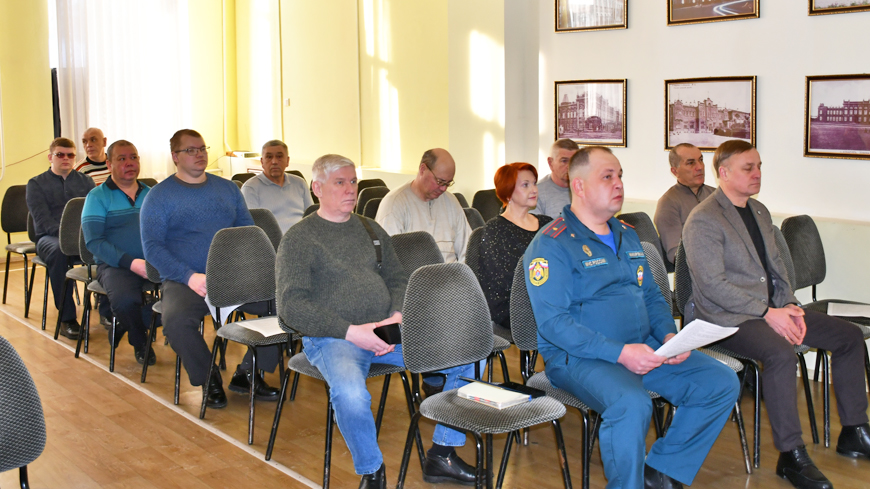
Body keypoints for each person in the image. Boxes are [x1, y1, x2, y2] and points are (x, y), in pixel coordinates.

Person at [524, 146, 739, 489]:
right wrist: (621, 353)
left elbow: (652, 295)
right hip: (580, 357)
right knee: (631, 404)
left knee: (719, 382)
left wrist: (669, 336)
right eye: (607, 177)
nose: (618, 183)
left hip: (644, 346)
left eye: (620, 176)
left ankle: (662, 473)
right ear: (579, 186)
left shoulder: (626, 234)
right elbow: (554, 324)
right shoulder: (552, 245)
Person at [277, 154, 478, 488]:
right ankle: (372, 471)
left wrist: (397, 313)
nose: (350, 189)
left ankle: (442, 453)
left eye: (353, 181)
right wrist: (351, 332)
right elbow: (291, 306)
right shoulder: (299, 238)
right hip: (335, 338)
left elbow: (398, 277)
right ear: (317, 188)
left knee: (465, 355)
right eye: (340, 182)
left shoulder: (370, 228)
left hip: (386, 331)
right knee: (350, 394)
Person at [683, 140, 870, 489]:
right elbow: (712, 286)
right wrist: (767, 312)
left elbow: (777, 269)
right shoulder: (703, 219)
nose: (757, 174)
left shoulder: (759, 210)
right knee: (781, 354)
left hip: (771, 310)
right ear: (724, 173)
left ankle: (855, 431)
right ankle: (791, 455)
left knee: (849, 336)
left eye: (759, 167)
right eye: (748, 168)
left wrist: (790, 306)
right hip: (726, 318)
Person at [140, 129, 280, 409]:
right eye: (190, 150)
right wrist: (188, 276)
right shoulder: (159, 196)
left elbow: (246, 232)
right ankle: (208, 376)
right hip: (184, 279)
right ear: (175, 156)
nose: (199, 154)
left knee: (286, 305)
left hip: (232, 276)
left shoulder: (227, 189)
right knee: (176, 321)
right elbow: (152, 248)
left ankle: (248, 373)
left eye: (202, 148)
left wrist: (245, 271)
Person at [81, 140, 155, 365]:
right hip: (115, 265)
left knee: (187, 295)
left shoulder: (151, 194)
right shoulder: (97, 196)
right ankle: (140, 340)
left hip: (153, 262)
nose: (129, 163)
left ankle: (124, 323)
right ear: (109, 164)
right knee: (125, 302)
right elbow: (94, 241)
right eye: (122, 159)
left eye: (133, 157)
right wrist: (132, 263)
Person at [26, 137, 96, 339]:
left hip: (82, 237)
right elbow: (42, 221)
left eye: (70, 155)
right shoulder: (36, 184)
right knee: (59, 251)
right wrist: (69, 237)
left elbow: (94, 213)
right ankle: (68, 319)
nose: (66, 158)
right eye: (60, 154)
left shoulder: (86, 182)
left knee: (105, 246)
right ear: (50, 157)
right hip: (49, 238)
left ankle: (110, 312)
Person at [478, 162, 552, 329]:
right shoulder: (495, 229)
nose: (534, 190)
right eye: (525, 185)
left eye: (534, 183)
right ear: (508, 192)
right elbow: (502, 283)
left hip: (548, 298)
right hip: (515, 307)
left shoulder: (546, 223)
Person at [376, 148, 470, 263]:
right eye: (440, 181)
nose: (443, 189)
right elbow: (391, 261)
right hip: (415, 274)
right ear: (422, 169)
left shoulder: (451, 202)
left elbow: (467, 251)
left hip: (452, 273)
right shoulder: (394, 205)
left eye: (448, 183)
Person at [654, 143, 714, 265]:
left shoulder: (716, 195)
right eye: (691, 163)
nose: (700, 167)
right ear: (675, 171)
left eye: (701, 160)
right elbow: (676, 256)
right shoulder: (668, 203)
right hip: (697, 270)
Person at [240, 139, 312, 234]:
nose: (274, 161)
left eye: (279, 156)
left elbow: (311, 216)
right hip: (272, 241)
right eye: (269, 157)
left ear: (287, 161)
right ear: (262, 162)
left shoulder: (299, 183)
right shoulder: (250, 188)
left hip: (303, 237)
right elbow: (252, 228)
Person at [532, 138, 578, 219]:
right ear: (550, 163)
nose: (569, 166)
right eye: (564, 161)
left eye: (573, 161)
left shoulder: (584, 190)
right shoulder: (535, 192)